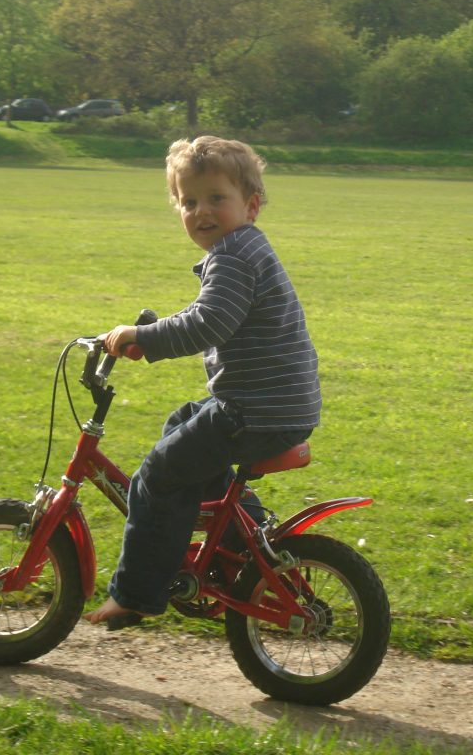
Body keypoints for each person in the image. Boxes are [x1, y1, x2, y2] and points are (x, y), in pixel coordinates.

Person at [84, 136, 321, 627]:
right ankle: (246, 542)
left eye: (216, 198)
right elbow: (208, 312)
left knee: (156, 477)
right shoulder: (244, 247)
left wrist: (142, 337)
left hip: (254, 410)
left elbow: (208, 323)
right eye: (189, 201)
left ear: (250, 205)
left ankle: (135, 594)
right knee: (183, 423)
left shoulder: (232, 255)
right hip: (276, 406)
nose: (201, 211)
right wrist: (149, 334)